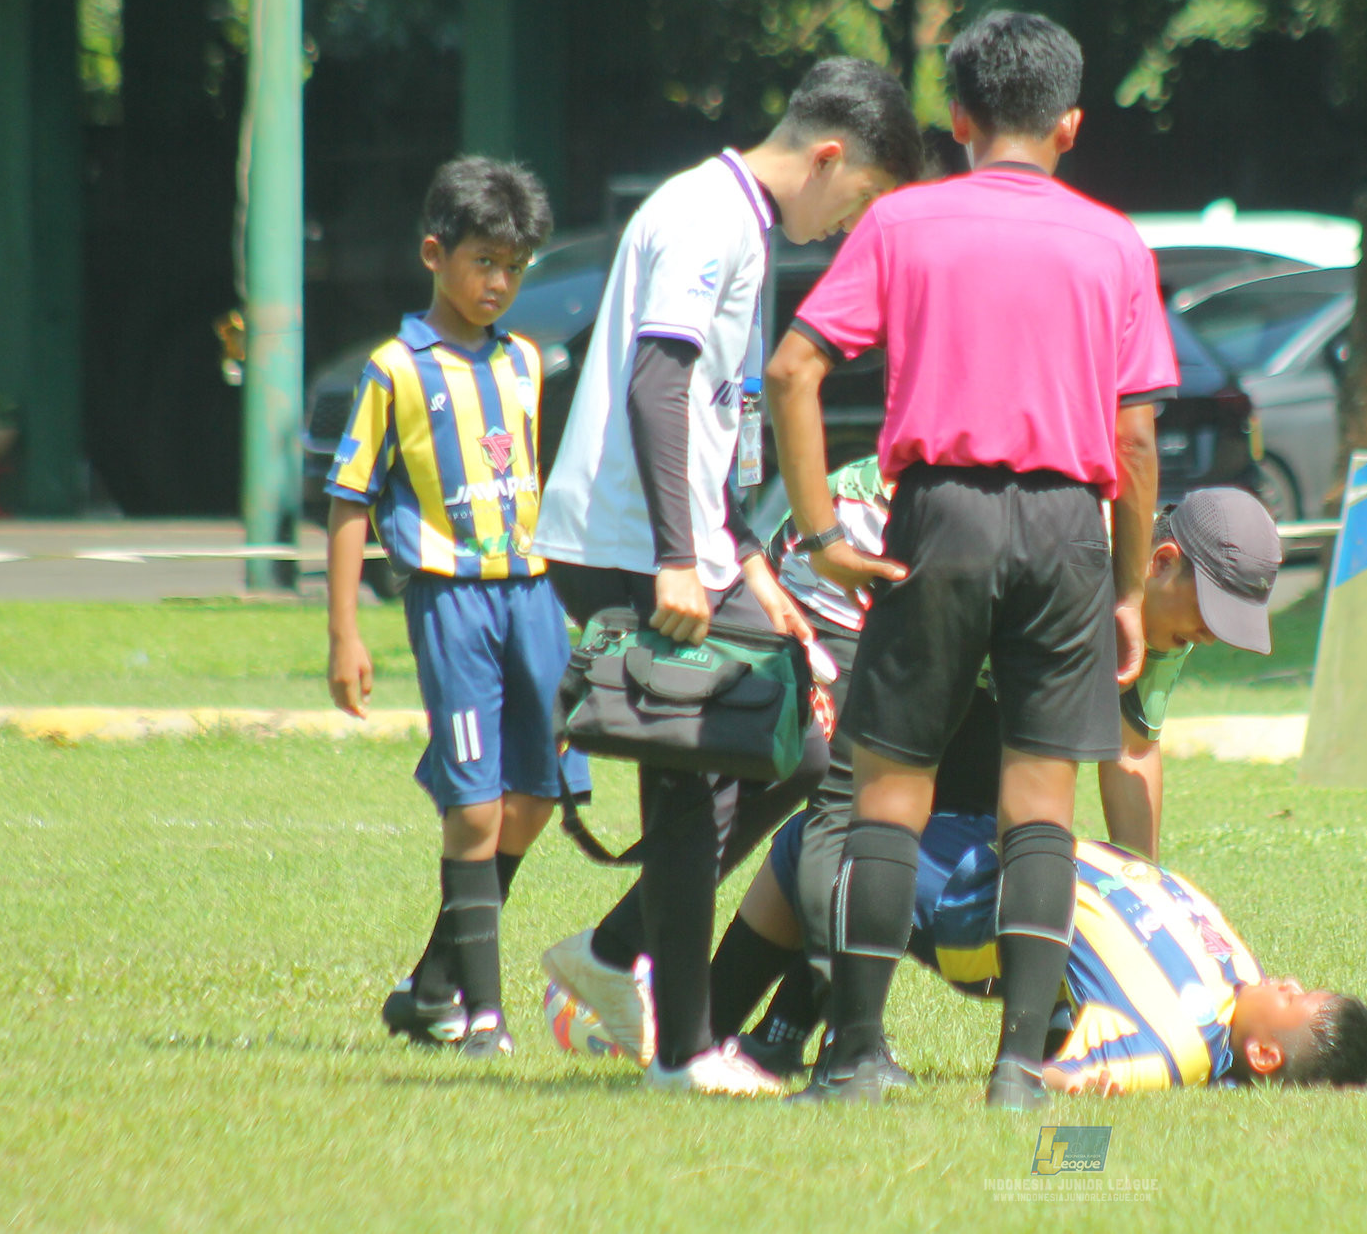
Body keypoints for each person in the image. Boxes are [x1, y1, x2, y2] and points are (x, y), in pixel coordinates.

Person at [765, 10, 1179, 1107]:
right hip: (1063, 530)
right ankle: (1018, 1069)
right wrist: (1131, 587)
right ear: (1071, 124)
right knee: (1039, 800)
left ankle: (853, 1054)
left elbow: (791, 371)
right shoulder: (1114, 243)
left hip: (935, 517)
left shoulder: (903, 226)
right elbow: (1134, 439)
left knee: (888, 792)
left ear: (955, 118)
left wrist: (816, 534)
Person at [541, 471, 1287, 1080]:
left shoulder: (1153, 613)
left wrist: (1137, 894)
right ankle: (779, 1035)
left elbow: (1131, 753)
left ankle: (745, 1026)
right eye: (1206, 612)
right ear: (1158, 563)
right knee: (855, 809)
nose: (1203, 637)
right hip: (852, 581)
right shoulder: (1081, 555)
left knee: (943, 828)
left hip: (964, 618)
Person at [529, 57, 922, 1096]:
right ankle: (681, 1053)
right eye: (863, 202)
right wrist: (673, 555)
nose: (850, 229)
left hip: (698, 541)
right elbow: (657, 385)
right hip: (633, 541)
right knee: (684, 776)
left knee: (791, 748)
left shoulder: (735, 216)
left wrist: (744, 554)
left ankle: (614, 953)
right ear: (829, 155)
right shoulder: (709, 214)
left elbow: (711, 413)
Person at [324, 156, 582, 1058]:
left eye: (515, 266)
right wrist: (346, 634)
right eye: (483, 262)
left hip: (532, 595)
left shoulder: (524, 362)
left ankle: (433, 986)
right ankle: (483, 1014)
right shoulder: (394, 369)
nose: (500, 283)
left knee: (539, 794)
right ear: (435, 254)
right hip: (451, 604)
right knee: (473, 810)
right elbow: (350, 499)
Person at [728, 806, 1367, 1093]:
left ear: (1265, 1053)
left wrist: (1070, 1079)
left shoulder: (1174, 1043)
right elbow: (1348, 1069)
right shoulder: (1242, 982)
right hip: (1016, 844)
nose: (1291, 980)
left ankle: (716, 1024)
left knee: (826, 837)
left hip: (982, 901)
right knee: (862, 812)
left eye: (1297, 1000)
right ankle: (770, 1034)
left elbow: (1075, 1080)